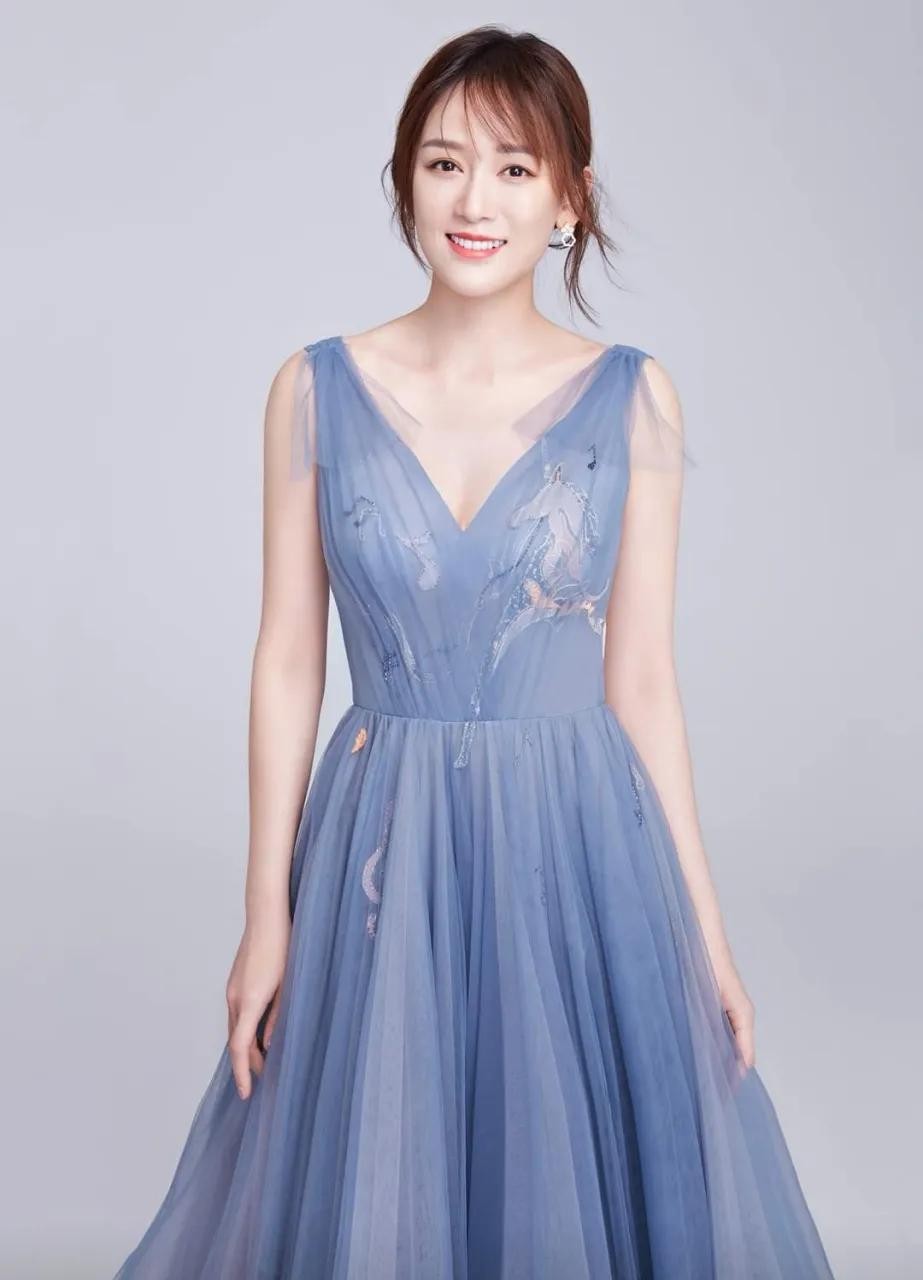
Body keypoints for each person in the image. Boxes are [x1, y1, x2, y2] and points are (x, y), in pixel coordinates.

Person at [113, 24, 836, 1279]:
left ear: (569, 199)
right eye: (443, 163)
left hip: (576, 846)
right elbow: (287, 660)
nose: (473, 200)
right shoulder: (313, 389)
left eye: (513, 168)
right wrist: (263, 913)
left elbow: (643, 680)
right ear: (404, 180)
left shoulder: (634, 399)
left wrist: (705, 935)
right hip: (380, 844)